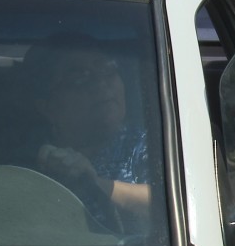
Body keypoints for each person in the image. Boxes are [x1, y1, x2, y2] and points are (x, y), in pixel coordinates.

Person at [21, 32, 150, 233]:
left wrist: (95, 184)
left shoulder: (151, 144)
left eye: (108, 70)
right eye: (80, 78)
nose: (100, 83)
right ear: (46, 106)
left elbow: (169, 205)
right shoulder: (25, 162)